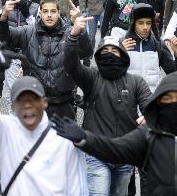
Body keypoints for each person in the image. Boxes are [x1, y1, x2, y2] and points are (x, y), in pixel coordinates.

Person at [0, 50, 88, 195]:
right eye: (21, 100)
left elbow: (76, 188)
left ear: (44, 102)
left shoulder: (62, 139)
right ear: (12, 106)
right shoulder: (5, 131)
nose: (27, 105)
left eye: (33, 99)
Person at [65, 17, 152, 195]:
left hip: (125, 154)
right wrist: (73, 36)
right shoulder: (91, 77)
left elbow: (150, 106)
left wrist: (151, 115)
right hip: (96, 153)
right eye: (105, 51)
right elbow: (71, 66)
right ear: (98, 55)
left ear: (122, 54)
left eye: (114, 50)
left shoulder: (136, 82)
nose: (110, 54)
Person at [0, 0, 92, 119]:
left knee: (63, 138)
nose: (49, 15)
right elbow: (4, 36)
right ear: (40, 13)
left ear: (59, 13)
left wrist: (80, 31)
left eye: (53, 11)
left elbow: (86, 52)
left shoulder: (70, 32)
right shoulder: (28, 31)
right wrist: (3, 16)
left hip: (64, 103)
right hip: (34, 101)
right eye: (45, 11)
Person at [122, 4, 177, 92]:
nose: (145, 27)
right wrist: (119, 54)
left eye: (148, 23)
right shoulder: (123, 43)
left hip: (152, 99)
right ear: (133, 23)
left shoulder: (158, 44)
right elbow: (110, 75)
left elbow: (176, 77)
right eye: (140, 23)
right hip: (128, 100)